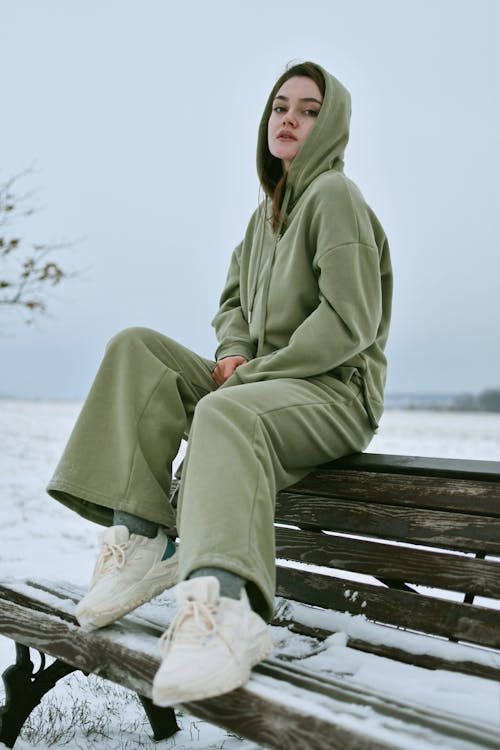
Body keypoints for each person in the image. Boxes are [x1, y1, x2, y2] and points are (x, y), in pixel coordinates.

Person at [47, 61, 392, 706]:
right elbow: (232, 305)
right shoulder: (262, 217)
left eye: (310, 109)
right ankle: (141, 537)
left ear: (331, 124)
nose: (290, 117)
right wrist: (234, 355)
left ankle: (226, 612)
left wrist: (251, 374)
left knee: (225, 415)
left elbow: (350, 320)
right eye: (280, 106)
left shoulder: (334, 199)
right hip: (259, 390)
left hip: (334, 394)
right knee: (136, 349)